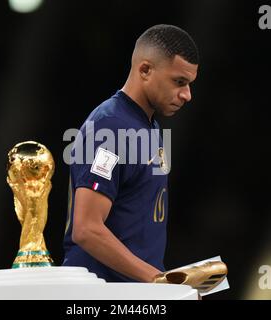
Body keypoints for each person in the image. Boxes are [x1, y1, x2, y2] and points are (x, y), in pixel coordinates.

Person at [62, 24, 199, 283]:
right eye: (179, 82)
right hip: (101, 293)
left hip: (134, 292)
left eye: (190, 84)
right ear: (145, 70)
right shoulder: (110, 127)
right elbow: (87, 229)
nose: (187, 95)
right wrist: (159, 280)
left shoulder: (150, 127)